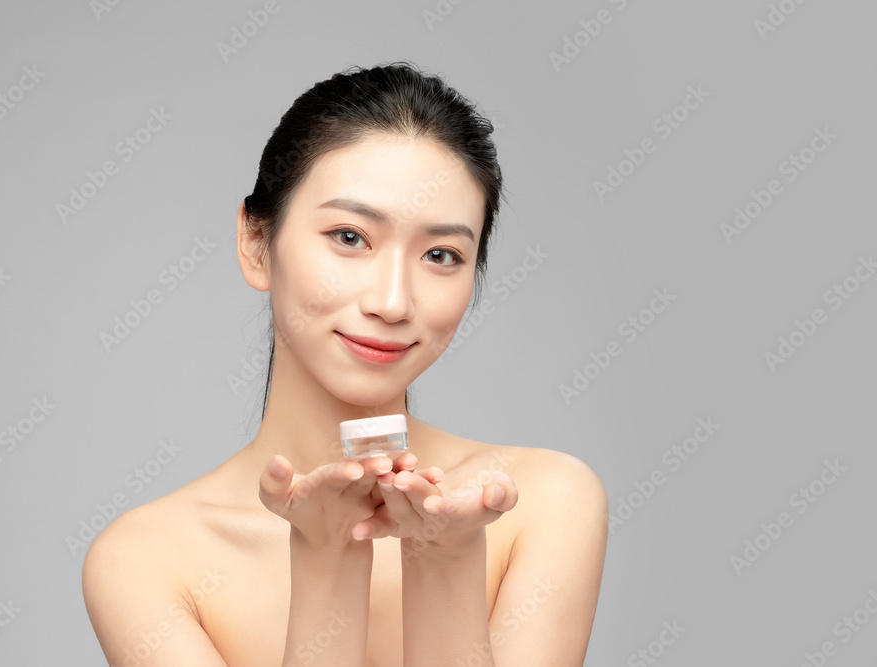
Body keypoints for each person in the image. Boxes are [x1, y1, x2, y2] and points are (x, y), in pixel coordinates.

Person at [82, 61, 608, 666]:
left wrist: (447, 559)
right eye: (350, 237)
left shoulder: (538, 501)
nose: (391, 302)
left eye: (440, 254)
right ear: (257, 244)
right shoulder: (147, 561)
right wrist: (327, 560)